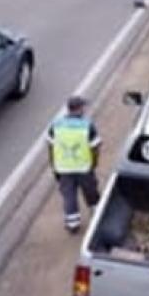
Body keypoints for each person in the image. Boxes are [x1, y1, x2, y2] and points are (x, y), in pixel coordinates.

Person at [47, 96, 102, 234]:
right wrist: (94, 163)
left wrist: (53, 164)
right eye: (83, 107)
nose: (84, 109)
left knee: (69, 196)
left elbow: (50, 145)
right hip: (84, 167)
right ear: (79, 109)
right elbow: (95, 147)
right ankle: (97, 217)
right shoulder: (87, 125)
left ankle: (73, 224)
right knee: (91, 192)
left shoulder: (56, 124)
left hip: (63, 168)